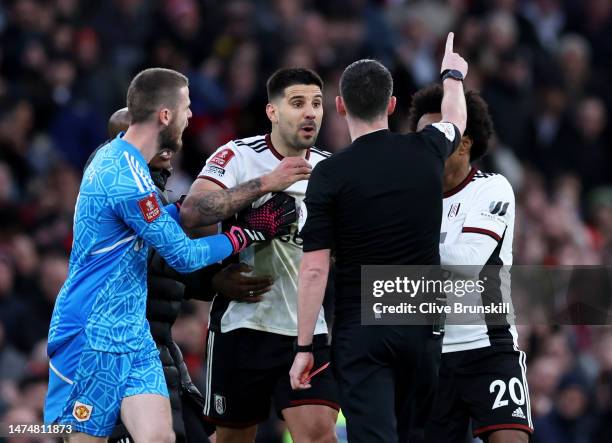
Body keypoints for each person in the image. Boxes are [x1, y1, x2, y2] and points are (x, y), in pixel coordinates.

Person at [43, 68, 296, 443]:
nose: (191, 115)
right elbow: (183, 255)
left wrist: (192, 210)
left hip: (134, 334)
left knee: (160, 438)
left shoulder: (136, 170)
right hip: (91, 332)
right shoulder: (120, 174)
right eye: (186, 106)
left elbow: (156, 220)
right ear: (165, 115)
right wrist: (247, 232)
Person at [289, 33, 468, 443]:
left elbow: (315, 269)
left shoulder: (329, 174)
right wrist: (453, 74)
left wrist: (304, 349)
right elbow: (456, 120)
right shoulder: (427, 149)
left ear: (339, 106)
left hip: (361, 328)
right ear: (391, 105)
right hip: (420, 325)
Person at [180, 67, 339, 443]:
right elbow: (191, 211)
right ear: (272, 111)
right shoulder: (237, 155)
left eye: (317, 104)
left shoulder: (332, 169)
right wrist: (268, 182)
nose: (310, 113)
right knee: (234, 438)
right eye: (298, 103)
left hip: (307, 330)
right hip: (243, 326)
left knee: (320, 435)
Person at [407, 86, 532, 443]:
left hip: (487, 346)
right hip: (428, 354)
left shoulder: (491, 188)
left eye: (440, 136)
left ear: (464, 144)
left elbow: (468, 262)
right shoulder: (409, 196)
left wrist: (402, 242)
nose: (428, 147)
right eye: (422, 138)